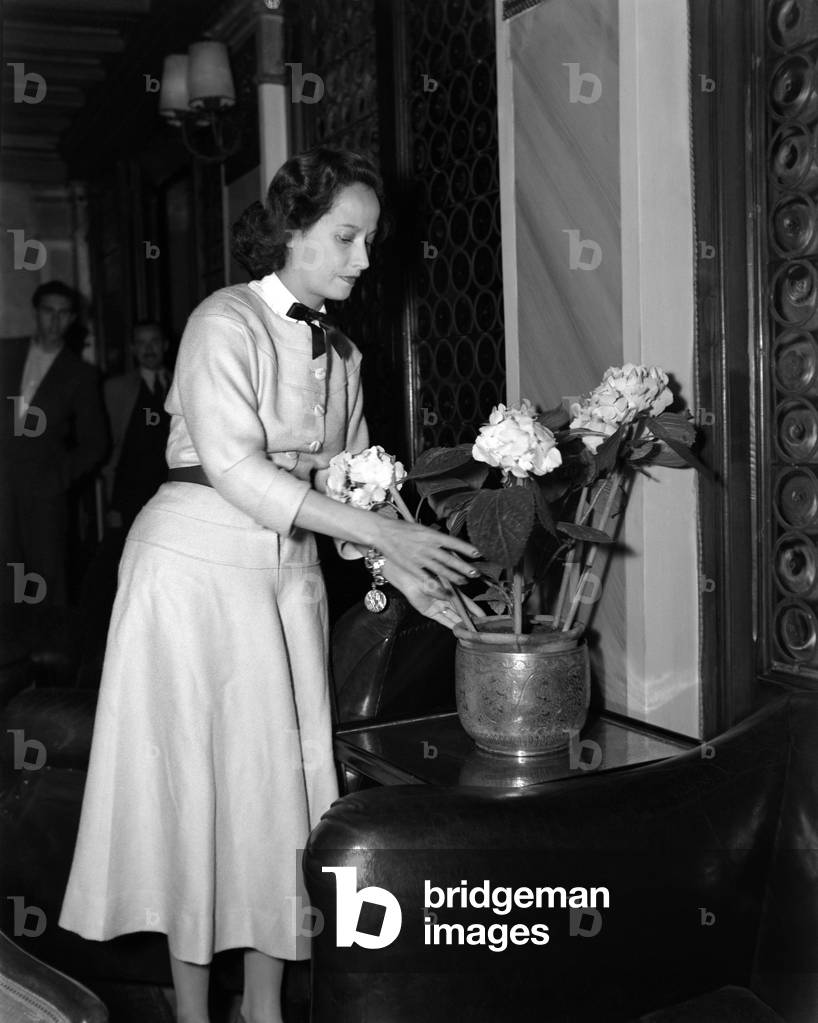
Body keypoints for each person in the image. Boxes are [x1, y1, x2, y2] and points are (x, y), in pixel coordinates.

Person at [58, 147, 480, 1023]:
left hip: (286, 579)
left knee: (275, 791)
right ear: (292, 231)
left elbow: (351, 486)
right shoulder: (225, 320)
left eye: (370, 239)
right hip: (191, 568)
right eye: (346, 237)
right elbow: (237, 470)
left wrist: (423, 578)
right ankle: (189, 1011)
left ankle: (263, 1010)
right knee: (197, 786)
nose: (364, 259)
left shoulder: (348, 354)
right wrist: (379, 532)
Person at [0, 280, 107, 607]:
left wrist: (59, 478)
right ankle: (9, 649)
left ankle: (50, 651)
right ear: (36, 313)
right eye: (49, 311)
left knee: (46, 575)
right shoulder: (5, 352)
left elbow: (97, 442)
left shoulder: (80, 374)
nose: (55, 320)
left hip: (45, 492)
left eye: (63, 313)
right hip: (2, 486)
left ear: (73, 319)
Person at [103, 320, 172, 531]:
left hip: (172, 491)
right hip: (131, 495)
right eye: (141, 343)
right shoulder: (116, 389)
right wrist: (114, 504)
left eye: (154, 342)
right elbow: (110, 446)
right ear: (133, 348)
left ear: (165, 345)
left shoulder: (180, 383)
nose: (148, 349)